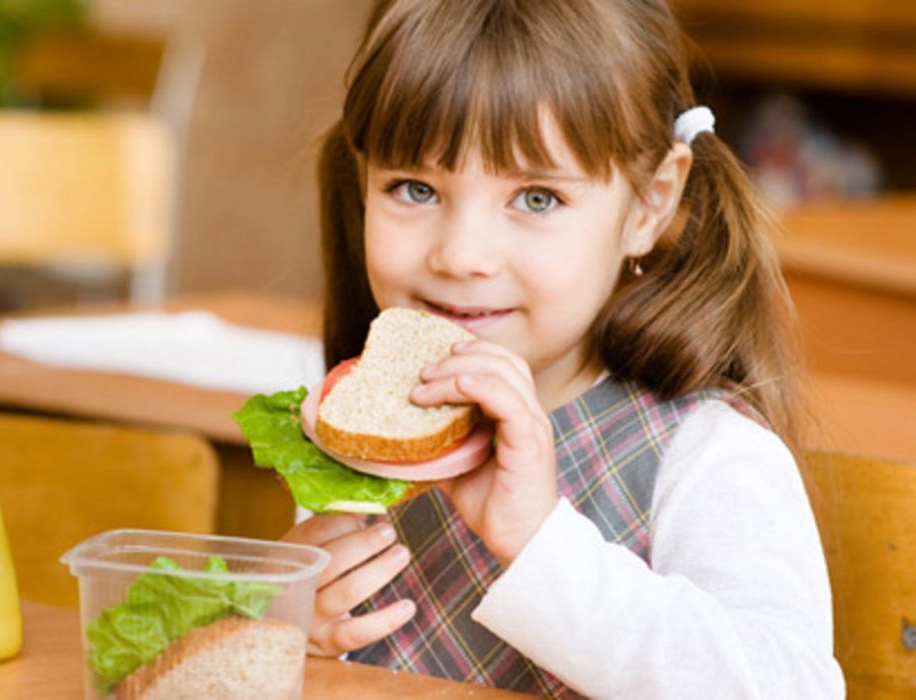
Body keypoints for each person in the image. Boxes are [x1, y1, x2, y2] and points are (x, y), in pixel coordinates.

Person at [281, 0, 845, 697]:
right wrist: (292, 632)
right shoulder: (363, 440)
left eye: (537, 199)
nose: (461, 255)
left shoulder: (705, 458)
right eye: (415, 188)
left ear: (649, 205)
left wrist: (542, 543)